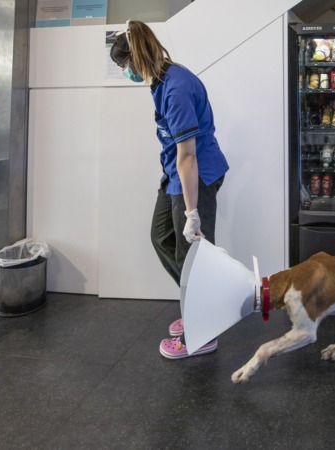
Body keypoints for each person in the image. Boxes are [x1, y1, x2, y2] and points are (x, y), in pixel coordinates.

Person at [110, 20, 229, 359]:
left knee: (191, 256)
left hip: (196, 175)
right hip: (175, 175)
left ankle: (202, 333)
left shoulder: (175, 87)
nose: (125, 73)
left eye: (124, 66)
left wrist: (192, 214)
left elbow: (189, 155)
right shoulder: (161, 80)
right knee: (161, 236)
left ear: (135, 59)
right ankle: (201, 305)